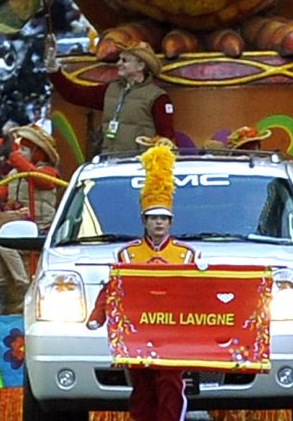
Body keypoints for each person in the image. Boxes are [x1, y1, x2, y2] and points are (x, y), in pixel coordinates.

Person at [84, 140, 195, 421]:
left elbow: (196, 293)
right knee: (142, 388)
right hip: (137, 331)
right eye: (153, 218)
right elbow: (113, 288)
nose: (158, 223)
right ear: (144, 221)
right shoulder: (127, 252)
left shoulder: (186, 254)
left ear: (171, 223)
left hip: (172, 334)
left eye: (163, 219)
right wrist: (99, 314)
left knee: (170, 384)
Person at [47, 43, 175, 159]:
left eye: (124, 60)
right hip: (108, 161)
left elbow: (166, 138)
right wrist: (55, 72)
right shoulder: (110, 89)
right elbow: (75, 94)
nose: (118, 63)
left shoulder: (158, 98)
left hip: (138, 165)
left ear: (140, 66)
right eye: (119, 59)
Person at [0, 123, 59, 315]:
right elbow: (3, 190)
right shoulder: (14, 173)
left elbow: (39, 180)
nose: (20, 152)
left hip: (41, 229)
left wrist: (13, 156)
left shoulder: (48, 172)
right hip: (18, 228)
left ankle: (26, 288)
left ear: (38, 153)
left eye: (25, 149)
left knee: (4, 244)